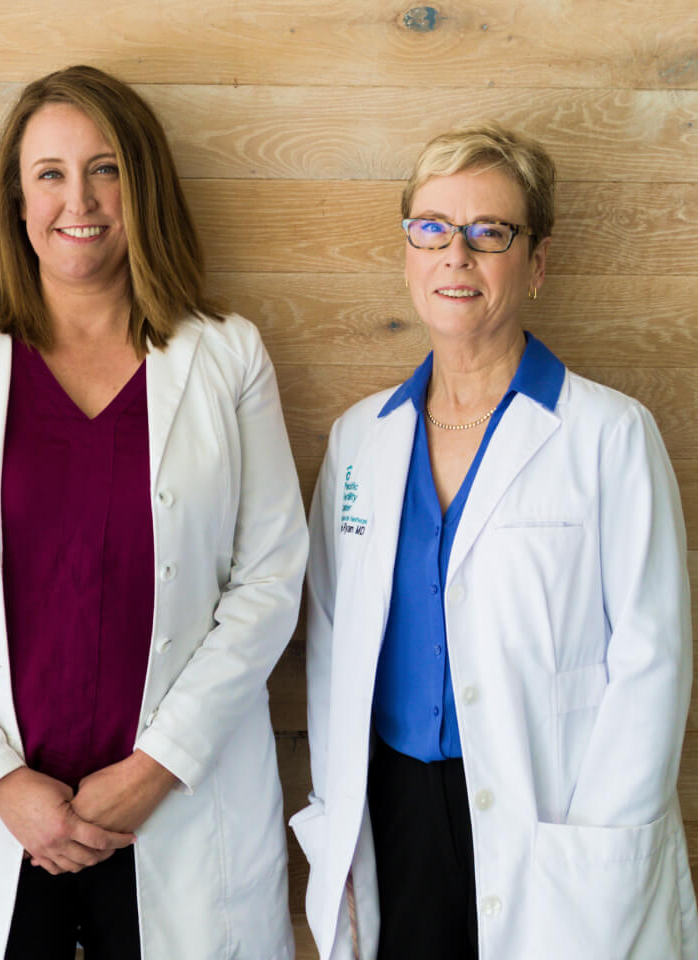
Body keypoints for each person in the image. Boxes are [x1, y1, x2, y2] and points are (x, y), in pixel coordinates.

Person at [0, 64, 308, 960]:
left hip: (167, 809)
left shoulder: (227, 356)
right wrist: (1, 781)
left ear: (143, 189)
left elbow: (270, 580)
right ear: (17, 200)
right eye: (50, 173)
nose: (79, 199)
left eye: (105, 169)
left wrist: (157, 767)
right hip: (0, 819)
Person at [290, 121, 697, 960]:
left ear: (536, 264)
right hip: (394, 813)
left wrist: (598, 850)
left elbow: (652, 665)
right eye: (432, 227)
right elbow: (332, 647)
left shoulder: (609, 435)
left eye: (490, 233)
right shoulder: (359, 440)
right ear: (407, 251)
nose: (456, 255)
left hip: (549, 819)